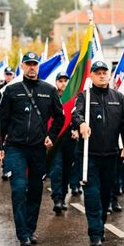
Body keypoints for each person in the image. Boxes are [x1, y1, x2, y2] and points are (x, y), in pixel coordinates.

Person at [0, 52, 65, 246]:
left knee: (35, 190)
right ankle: (23, 235)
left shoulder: (49, 90)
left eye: (35, 64)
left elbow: (59, 117)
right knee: (18, 189)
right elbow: (1, 121)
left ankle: (30, 229)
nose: (32, 67)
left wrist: (51, 135)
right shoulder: (11, 90)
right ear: (22, 67)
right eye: (28, 64)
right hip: (16, 148)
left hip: (37, 149)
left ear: (38, 67)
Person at [72, 60, 124, 246]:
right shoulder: (85, 96)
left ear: (109, 75)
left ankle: (100, 223)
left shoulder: (118, 97)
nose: (101, 75)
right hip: (89, 155)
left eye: (104, 72)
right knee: (91, 194)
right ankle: (96, 233)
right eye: (97, 72)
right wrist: (81, 123)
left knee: (106, 194)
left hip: (111, 155)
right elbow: (76, 114)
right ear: (91, 76)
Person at [49, 71, 76, 214]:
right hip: (55, 140)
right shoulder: (52, 97)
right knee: (56, 169)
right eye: (60, 80)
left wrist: (76, 129)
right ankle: (57, 198)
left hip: (70, 140)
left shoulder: (73, 99)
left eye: (66, 80)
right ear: (56, 82)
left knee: (67, 170)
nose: (63, 83)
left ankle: (63, 195)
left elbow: (78, 115)